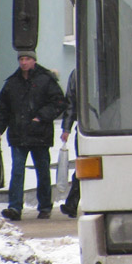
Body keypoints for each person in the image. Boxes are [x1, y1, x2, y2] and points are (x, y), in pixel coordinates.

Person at [0, 50, 67, 220]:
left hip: (40, 133)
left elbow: (59, 102)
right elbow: (3, 108)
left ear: (34, 61)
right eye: (21, 59)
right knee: (17, 171)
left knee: (42, 171)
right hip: (18, 134)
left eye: (27, 59)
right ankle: (15, 207)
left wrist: (40, 116)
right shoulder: (12, 83)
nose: (24, 62)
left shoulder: (46, 80)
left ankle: (45, 206)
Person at [58, 69, 80, 218]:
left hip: (91, 128)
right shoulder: (78, 72)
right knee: (83, 166)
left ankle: (72, 203)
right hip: (88, 128)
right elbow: (71, 102)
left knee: (83, 167)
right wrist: (67, 127)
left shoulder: (78, 72)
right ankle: (72, 204)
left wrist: (67, 127)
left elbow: (71, 102)